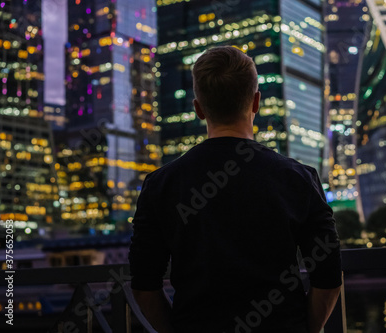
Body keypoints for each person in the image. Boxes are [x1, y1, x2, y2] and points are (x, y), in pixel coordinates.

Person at [129, 46, 342, 333]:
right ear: (256, 102)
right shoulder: (298, 178)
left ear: (198, 108)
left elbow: (144, 286)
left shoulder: (161, 185)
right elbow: (328, 277)